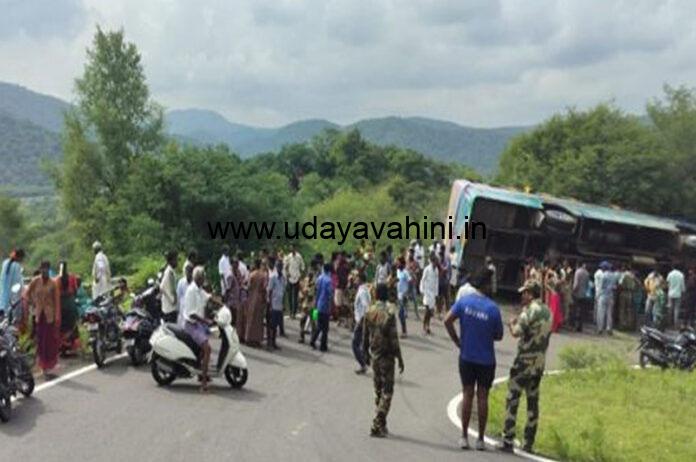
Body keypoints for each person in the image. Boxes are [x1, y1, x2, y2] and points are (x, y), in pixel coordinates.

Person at [444, 272, 503, 451]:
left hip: (467, 356)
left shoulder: (464, 302)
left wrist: (457, 341)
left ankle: (464, 436)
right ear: (486, 285)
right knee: (483, 397)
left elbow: (447, 320)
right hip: (486, 360)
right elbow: (499, 335)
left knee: (467, 394)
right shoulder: (493, 308)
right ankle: (480, 439)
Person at [499, 280, 552, 454]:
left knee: (512, 398)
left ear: (530, 293)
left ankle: (508, 438)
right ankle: (528, 442)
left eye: (525, 293)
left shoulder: (529, 311)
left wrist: (511, 323)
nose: (522, 296)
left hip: (523, 362)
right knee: (533, 403)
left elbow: (516, 332)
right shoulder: (548, 311)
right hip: (539, 364)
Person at [362, 283, 405, 438]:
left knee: (378, 390)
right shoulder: (389, 313)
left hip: (374, 354)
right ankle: (377, 423)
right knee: (387, 392)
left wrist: (365, 352)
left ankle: (382, 423)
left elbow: (365, 334)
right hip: (387, 356)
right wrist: (399, 357)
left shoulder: (369, 311)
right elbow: (394, 338)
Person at [183, 266, 223, 392]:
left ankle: (201, 373)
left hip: (198, 324)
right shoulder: (191, 291)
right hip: (191, 325)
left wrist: (222, 305)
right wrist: (206, 321)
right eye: (203, 277)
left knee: (206, 343)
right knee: (207, 349)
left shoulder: (199, 289)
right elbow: (191, 314)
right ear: (198, 278)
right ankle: (203, 384)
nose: (204, 279)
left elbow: (209, 297)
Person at [25, 261, 61, 378]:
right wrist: (33, 302)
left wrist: (57, 316)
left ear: (49, 270)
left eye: (46, 269)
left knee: (49, 341)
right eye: (43, 269)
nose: (44, 271)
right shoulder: (36, 281)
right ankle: (42, 365)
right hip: (39, 315)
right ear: (40, 269)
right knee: (41, 340)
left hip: (49, 315)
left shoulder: (53, 283)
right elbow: (26, 294)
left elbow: (57, 301)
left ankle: (49, 365)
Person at [56, 261, 80, 354]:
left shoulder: (57, 280)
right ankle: (73, 346)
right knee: (73, 324)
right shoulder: (72, 277)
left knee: (61, 326)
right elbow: (75, 290)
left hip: (61, 303)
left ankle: (62, 345)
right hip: (70, 302)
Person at [310, 263, 333, 351]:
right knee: (325, 328)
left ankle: (313, 340)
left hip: (317, 305)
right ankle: (323, 346)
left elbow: (316, 291)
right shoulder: (329, 281)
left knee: (318, 324)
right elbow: (330, 294)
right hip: (325, 306)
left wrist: (315, 303)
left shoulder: (319, 278)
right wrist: (330, 306)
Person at [244, 259, 268, 347]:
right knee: (259, 320)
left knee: (250, 318)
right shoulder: (263, 275)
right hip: (260, 298)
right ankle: (257, 339)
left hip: (251, 298)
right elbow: (264, 288)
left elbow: (248, 287)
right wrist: (265, 299)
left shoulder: (252, 275)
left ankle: (249, 338)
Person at [353, 272, 371, 374]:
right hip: (361, 320)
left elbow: (366, 307)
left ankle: (363, 365)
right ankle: (366, 360)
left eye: (356, 278)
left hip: (361, 321)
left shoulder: (362, 291)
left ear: (360, 279)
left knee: (355, 344)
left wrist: (360, 322)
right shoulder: (364, 289)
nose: (355, 280)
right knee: (361, 343)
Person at [267, 260, 286, 350]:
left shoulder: (283, 278)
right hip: (273, 304)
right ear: (276, 267)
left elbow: (283, 292)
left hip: (279, 305)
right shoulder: (273, 277)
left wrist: (283, 304)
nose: (279, 268)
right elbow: (269, 291)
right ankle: (270, 343)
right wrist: (270, 304)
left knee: (276, 325)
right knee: (272, 325)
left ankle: (274, 342)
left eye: (281, 266)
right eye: (278, 266)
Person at [0, 248, 25, 318]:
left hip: (1, 301)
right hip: (10, 303)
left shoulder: (5, 263)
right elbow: (18, 283)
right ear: (20, 257)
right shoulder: (16, 266)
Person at [283, 244, 305, 319]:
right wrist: (287, 273)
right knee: (289, 296)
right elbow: (285, 266)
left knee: (295, 296)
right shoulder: (288, 257)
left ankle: (294, 312)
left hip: (297, 277)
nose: (292, 249)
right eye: (291, 248)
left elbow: (302, 266)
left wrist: (301, 275)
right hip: (290, 278)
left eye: (293, 248)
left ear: (295, 248)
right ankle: (290, 311)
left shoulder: (299, 257)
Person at [420, 254, 439, 335]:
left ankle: (428, 327)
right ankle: (424, 327)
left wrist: (436, 293)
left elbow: (436, 282)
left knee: (430, 312)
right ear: (432, 261)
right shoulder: (427, 269)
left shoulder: (436, 270)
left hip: (433, 293)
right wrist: (422, 290)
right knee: (427, 311)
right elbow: (422, 280)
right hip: (427, 292)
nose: (436, 263)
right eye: (435, 262)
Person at [596, 262, 617, 335]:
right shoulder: (614, 276)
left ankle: (600, 328)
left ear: (604, 268)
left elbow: (601, 286)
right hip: (610, 295)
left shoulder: (603, 275)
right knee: (609, 313)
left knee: (601, 312)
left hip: (603, 295)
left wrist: (597, 295)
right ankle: (609, 328)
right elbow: (614, 286)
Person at [298, 267, 317, 344]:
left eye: (311, 272)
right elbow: (301, 292)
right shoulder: (304, 281)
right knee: (302, 320)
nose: (310, 274)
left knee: (314, 323)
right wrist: (301, 299)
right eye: (309, 272)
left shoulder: (316, 282)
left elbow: (314, 293)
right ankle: (301, 337)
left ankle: (313, 340)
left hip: (314, 306)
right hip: (305, 305)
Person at [617, 265, 639, 331]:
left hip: (624, 292)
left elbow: (620, 283)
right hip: (631, 293)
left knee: (622, 310)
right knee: (629, 310)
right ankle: (629, 325)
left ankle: (622, 325)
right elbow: (638, 283)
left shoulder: (624, 275)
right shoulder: (633, 276)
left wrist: (619, 290)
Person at [160, 251, 179, 323]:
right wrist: (172, 299)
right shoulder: (169, 272)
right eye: (175, 260)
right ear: (171, 261)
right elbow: (162, 287)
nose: (177, 262)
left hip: (171, 308)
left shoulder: (170, 271)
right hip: (170, 309)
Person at [571, 262, 590, 332]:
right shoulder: (587, 273)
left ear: (577, 265)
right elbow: (587, 284)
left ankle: (574, 326)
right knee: (582, 311)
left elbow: (576, 284)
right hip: (584, 294)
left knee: (575, 310)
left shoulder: (577, 272)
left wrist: (573, 291)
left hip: (577, 294)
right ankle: (580, 326)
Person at [544, 264, 564, 333]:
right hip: (555, 295)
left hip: (554, 295)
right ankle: (554, 326)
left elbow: (546, 283)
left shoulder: (553, 277)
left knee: (554, 311)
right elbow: (547, 283)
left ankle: (552, 326)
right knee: (555, 311)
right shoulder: (554, 277)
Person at [395, 259, 411, 337]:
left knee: (401, 314)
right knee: (400, 314)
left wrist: (407, 293)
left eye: (398, 263)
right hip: (398, 295)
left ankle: (404, 332)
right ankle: (403, 331)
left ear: (402, 264)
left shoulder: (405, 272)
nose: (397, 264)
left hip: (403, 295)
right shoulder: (397, 271)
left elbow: (410, 282)